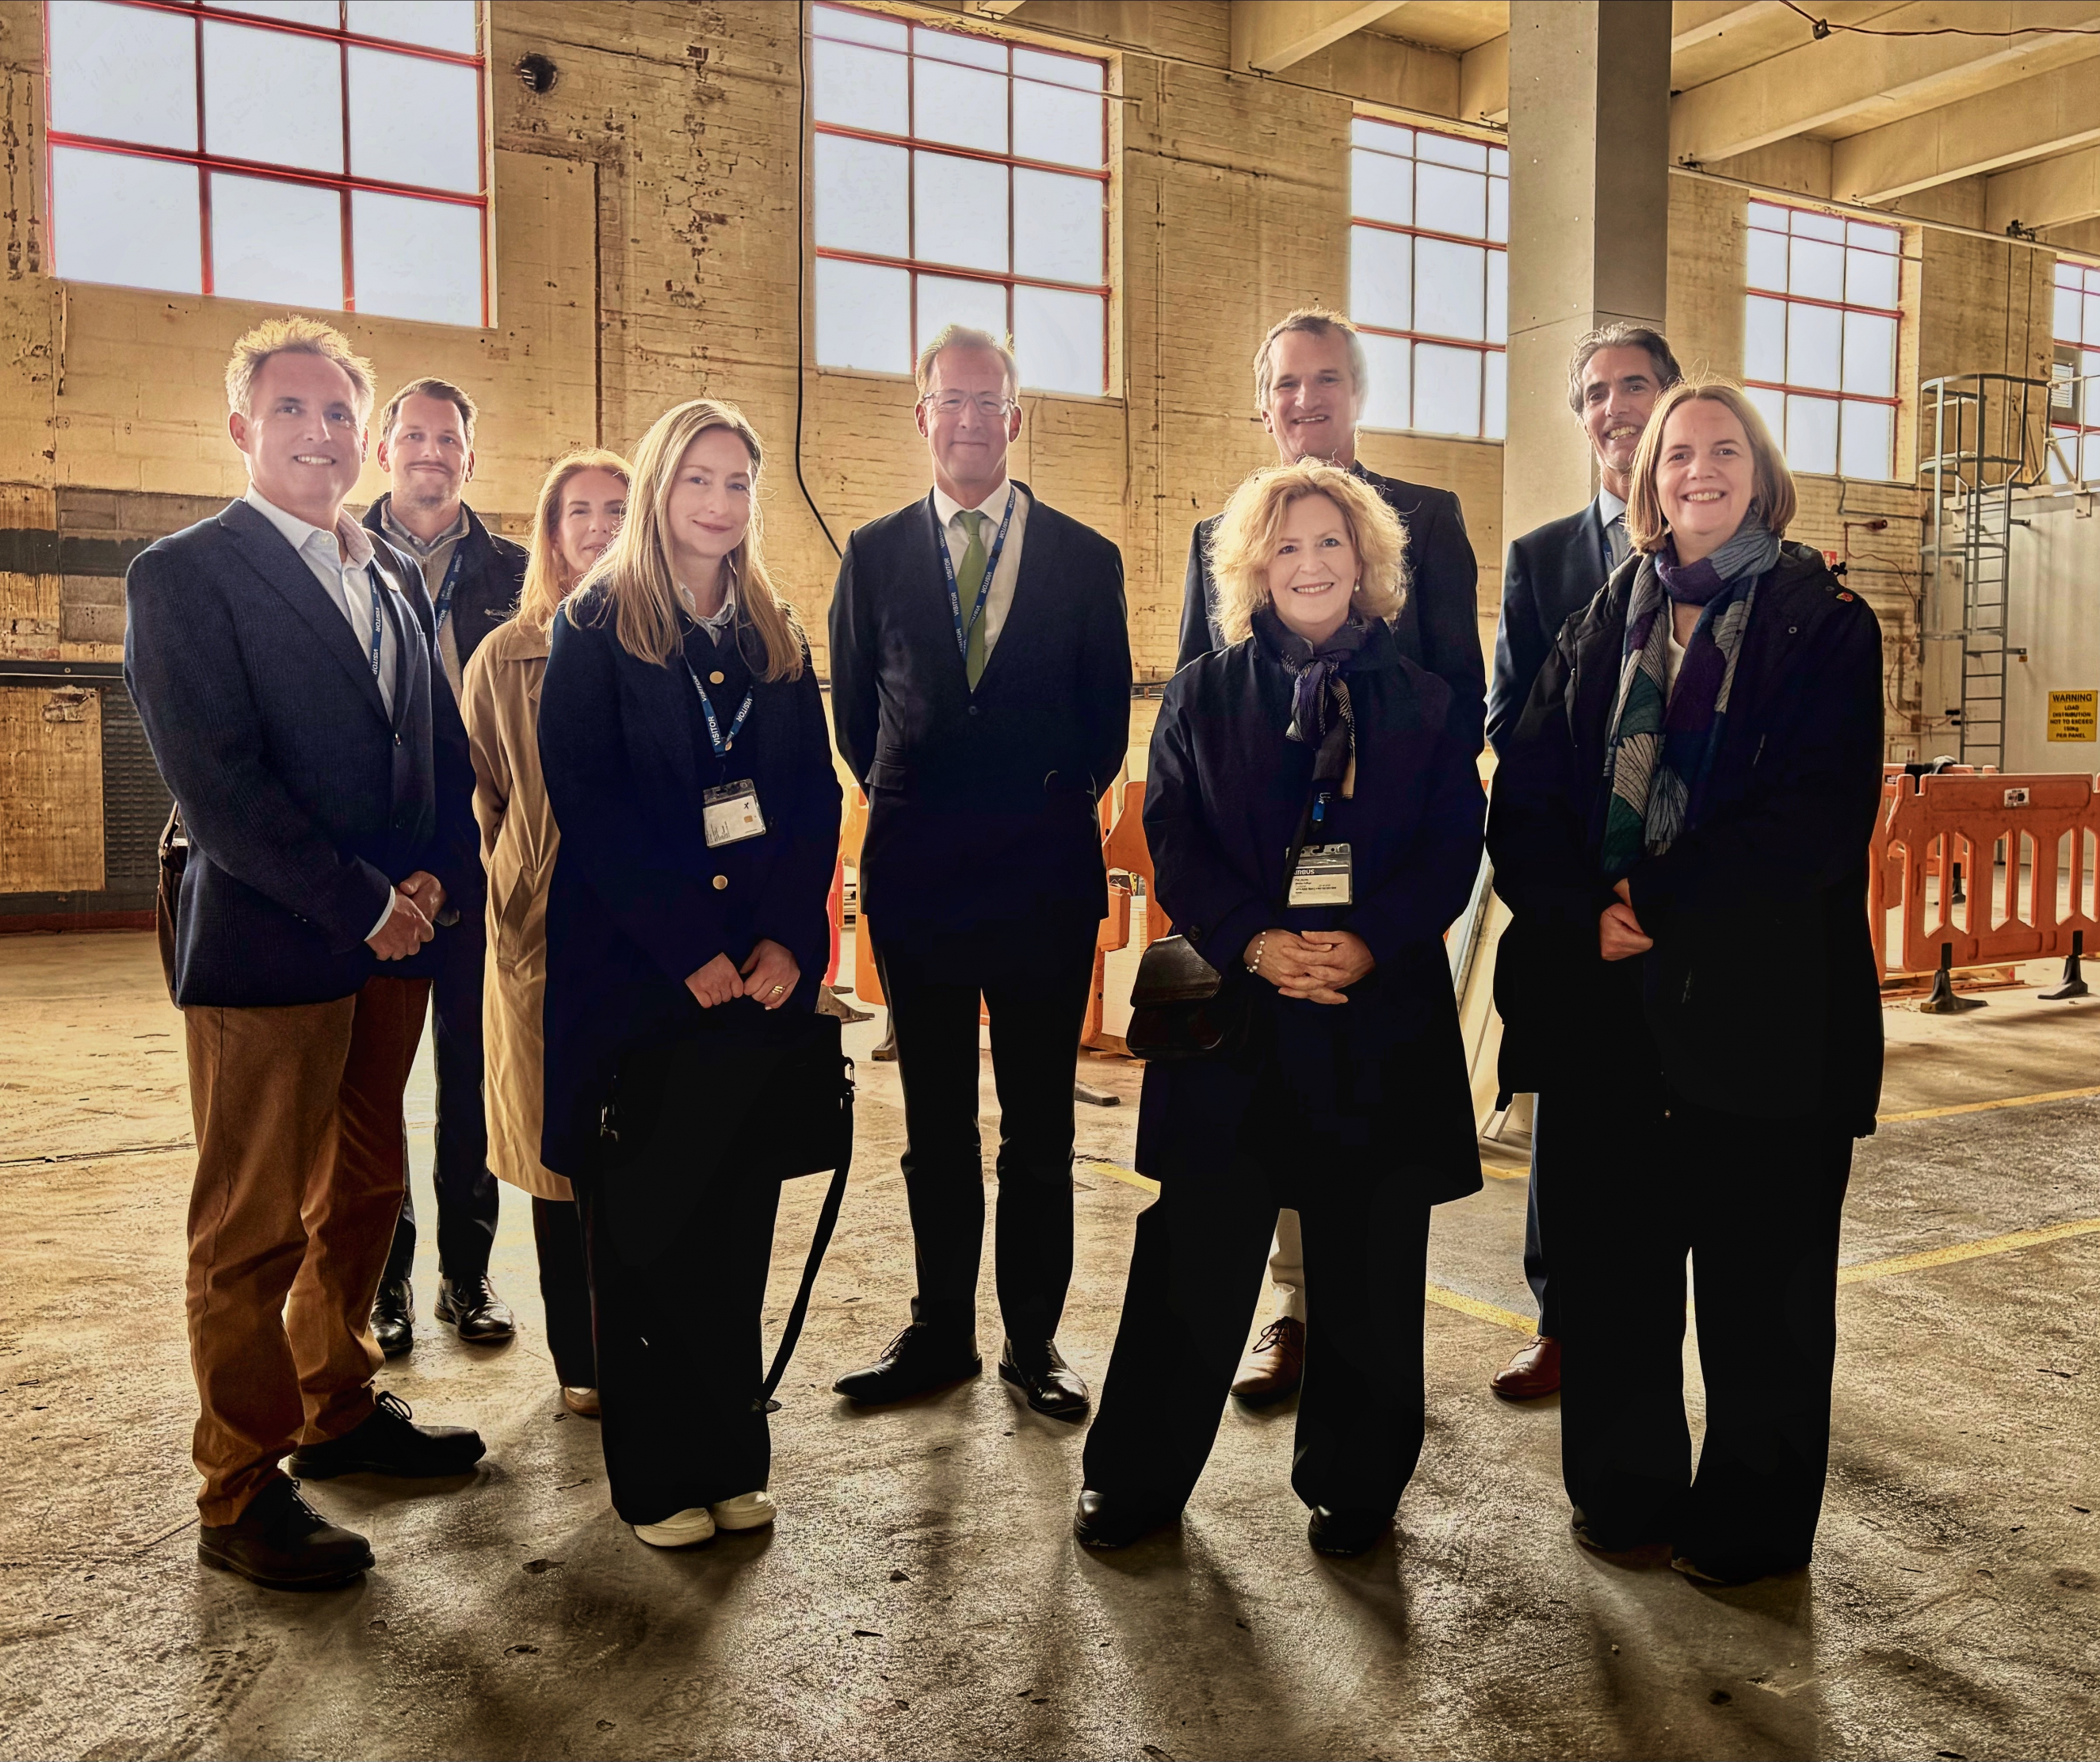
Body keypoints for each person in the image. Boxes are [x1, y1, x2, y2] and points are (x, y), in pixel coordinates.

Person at [1487, 380, 1883, 1585]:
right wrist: (1576, 910)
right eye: (1675, 454)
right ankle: (1622, 1495)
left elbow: (1813, 819)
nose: (1696, 470)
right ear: (1645, 479)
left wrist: (1650, 905)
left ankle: (1749, 1529)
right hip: (1607, 1007)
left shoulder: (1825, 621)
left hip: (1761, 1007)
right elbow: (1531, 789)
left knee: (1762, 1292)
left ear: (1758, 472)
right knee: (1612, 1279)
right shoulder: (1605, 617)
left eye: (1722, 450)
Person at [124, 316, 486, 1592]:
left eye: (339, 412)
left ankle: (337, 1407)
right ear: (240, 428)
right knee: (252, 1226)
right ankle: (239, 1484)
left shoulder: (381, 571)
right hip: (277, 946)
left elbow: (436, 742)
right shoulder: (185, 575)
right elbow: (218, 788)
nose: (318, 434)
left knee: (363, 1200)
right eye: (291, 411)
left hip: (390, 945)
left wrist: (435, 873)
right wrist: (363, 900)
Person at [1075, 458, 1485, 1557]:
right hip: (1235, 1022)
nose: (1309, 563)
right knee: (1193, 1258)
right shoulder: (1203, 692)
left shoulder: (1429, 702)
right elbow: (1173, 835)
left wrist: (1371, 938)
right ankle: (1138, 1473)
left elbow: (1452, 844)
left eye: (1331, 544)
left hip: (1375, 1013)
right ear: (1253, 567)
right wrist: (1255, 937)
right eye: (1287, 545)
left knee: (1369, 1258)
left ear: (1368, 566)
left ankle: (1355, 1480)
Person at [536, 400, 839, 1548]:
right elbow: (595, 806)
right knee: (647, 1239)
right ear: (661, 487)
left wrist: (785, 942)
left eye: (739, 482)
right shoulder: (596, 622)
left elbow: (809, 800)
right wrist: (691, 948)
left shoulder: (770, 627)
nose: (720, 502)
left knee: (734, 1230)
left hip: (751, 988)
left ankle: (730, 1454)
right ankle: (658, 1475)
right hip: (641, 984)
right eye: (698, 478)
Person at [1177, 307, 1487, 1405]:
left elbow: (1461, 693)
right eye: (1283, 386)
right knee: (1256, 1119)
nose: (1303, 402)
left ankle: (1347, 1334)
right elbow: (1191, 711)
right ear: (1263, 404)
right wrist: (1254, 922)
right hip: (1262, 902)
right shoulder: (1226, 530)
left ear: (1355, 390)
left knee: (1367, 1142)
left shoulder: (1429, 519)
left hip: (1381, 893)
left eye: (1322, 381)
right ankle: (1288, 1309)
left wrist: (1382, 895)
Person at [827, 323, 1131, 1420]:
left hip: (1043, 882)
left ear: (1015, 415)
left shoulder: (1084, 557)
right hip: (918, 881)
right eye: (947, 401)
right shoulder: (871, 553)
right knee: (937, 1125)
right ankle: (940, 1328)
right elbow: (856, 716)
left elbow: (1105, 728)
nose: (967, 419)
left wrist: (1023, 802)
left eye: (987, 400)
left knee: (1039, 1125)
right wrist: (927, 799)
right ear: (922, 416)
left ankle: (1033, 1340)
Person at [1485, 323, 1682, 1403]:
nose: (1613, 408)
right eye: (1595, 392)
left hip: (1683, 894)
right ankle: (1559, 1317)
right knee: (1569, 1107)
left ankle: (1665, 1322)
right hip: (1575, 886)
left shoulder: (1716, 550)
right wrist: (1577, 882)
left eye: (1635, 387)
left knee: (1675, 1113)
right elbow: (1511, 723)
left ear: (1673, 401)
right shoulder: (1542, 559)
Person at [460, 448, 630, 1417]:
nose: (601, 526)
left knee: (650, 1145)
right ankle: (585, 1363)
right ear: (552, 531)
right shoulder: (505, 658)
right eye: (581, 512)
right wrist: (522, 876)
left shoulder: (674, 642)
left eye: (618, 508)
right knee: (556, 1159)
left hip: (650, 937)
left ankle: (657, 1340)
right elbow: (484, 798)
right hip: (542, 936)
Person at [363, 377, 529, 1354]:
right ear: (388, 447)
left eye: (449, 438)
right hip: (376, 878)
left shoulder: (512, 570)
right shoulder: (337, 554)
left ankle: (466, 1278)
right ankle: (383, 1283)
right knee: (374, 1094)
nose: (431, 451)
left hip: (477, 872)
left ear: (471, 453)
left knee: (470, 1081)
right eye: (414, 434)